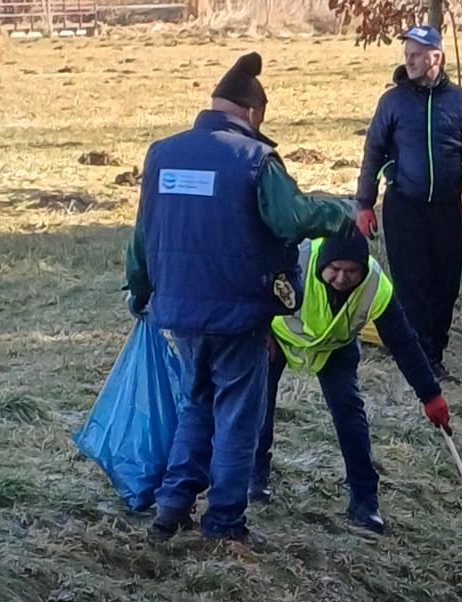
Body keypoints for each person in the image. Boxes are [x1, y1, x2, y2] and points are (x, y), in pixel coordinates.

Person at [127, 52, 356, 546]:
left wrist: (141, 289)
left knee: (196, 402)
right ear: (252, 113)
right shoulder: (254, 161)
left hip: (180, 311)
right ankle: (225, 521)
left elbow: (142, 235)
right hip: (237, 312)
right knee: (237, 414)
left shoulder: (162, 154)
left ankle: (172, 505)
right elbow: (292, 218)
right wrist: (342, 213)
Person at [256, 234, 453, 533]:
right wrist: (258, 331)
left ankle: (364, 500)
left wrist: (430, 395)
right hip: (279, 336)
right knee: (259, 403)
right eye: (335, 268)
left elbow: (403, 342)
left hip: (335, 347)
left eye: (351, 271)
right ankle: (254, 477)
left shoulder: (376, 285)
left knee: (349, 412)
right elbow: (254, 290)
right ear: (324, 263)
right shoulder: (296, 259)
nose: (342, 278)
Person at [354, 25, 462, 381]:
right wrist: (365, 203)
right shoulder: (393, 102)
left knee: (445, 285)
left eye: (416, 55)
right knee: (412, 285)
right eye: (407, 55)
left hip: (446, 209)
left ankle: (434, 352)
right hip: (404, 206)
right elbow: (373, 152)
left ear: (436, 58)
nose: (409, 62)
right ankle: (421, 363)